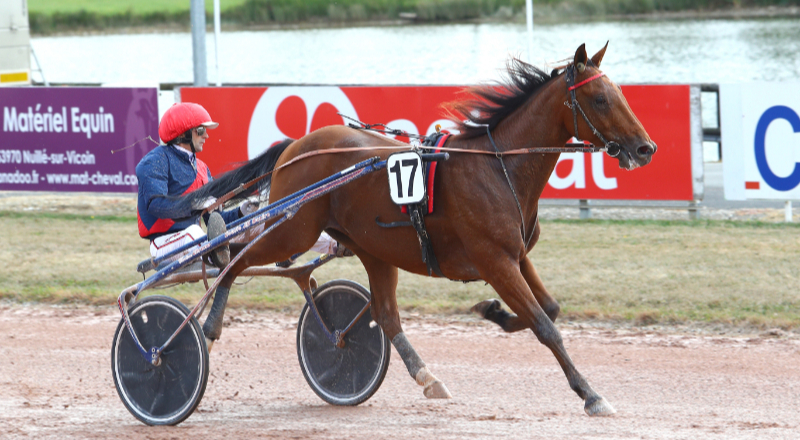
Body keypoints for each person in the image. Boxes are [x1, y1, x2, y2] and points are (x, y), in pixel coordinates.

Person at [136, 102, 342, 269]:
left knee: (268, 220)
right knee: (196, 234)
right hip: (165, 246)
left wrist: (242, 213)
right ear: (183, 134)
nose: (206, 136)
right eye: (200, 131)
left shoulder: (201, 168)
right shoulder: (155, 161)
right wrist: (196, 204)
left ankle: (335, 245)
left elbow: (215, 221)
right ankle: (225, 260)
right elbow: (156, 207)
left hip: (200, 244)